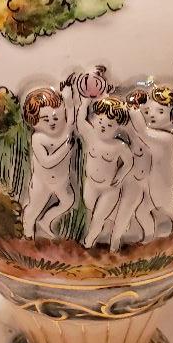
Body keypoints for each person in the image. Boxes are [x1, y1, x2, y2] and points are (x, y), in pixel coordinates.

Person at [76, 94, 134, 249]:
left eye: (109, 125)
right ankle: (112, 216)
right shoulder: (91, 136)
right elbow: (80, 121)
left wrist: (121, 175)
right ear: (93, 120)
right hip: (91, 185)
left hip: (109, 189)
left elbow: (129, 162)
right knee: (89, 205)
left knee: (98, 217)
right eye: (100, 121)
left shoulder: (118, 146)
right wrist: (84, 103)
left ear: (118, 128)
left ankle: (88, 242)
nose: (103, 127)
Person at [22, 82, 77, 239]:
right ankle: (28, 231)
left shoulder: (64, 132)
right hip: (42, 183)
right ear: (34, 121)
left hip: (61, 182)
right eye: (45, 119)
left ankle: (46, 220)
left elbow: (71, 120)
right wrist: (66, 148)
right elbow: (47, 162)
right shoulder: (38, 138)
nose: (52, 122)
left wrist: (68, 98)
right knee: (34, 208)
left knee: (68, 201)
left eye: (56, 117)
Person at [128, 85, 173, 234]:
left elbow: (143, 133)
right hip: (150, 181)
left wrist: (133, 111)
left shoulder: (168, 138)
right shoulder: (157, 135)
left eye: (160, 112)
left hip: (162, 182)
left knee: (165, 206)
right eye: (148, 112)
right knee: (141, 211)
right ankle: (148, 236)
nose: (152, 115)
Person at [109, 89, 155, 251]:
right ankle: (115, 242)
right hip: (134, 177)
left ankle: (149, 239)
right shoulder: (127, 127)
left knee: (142, 211)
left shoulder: (149, 133)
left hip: (147, 177)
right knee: (126, 209)